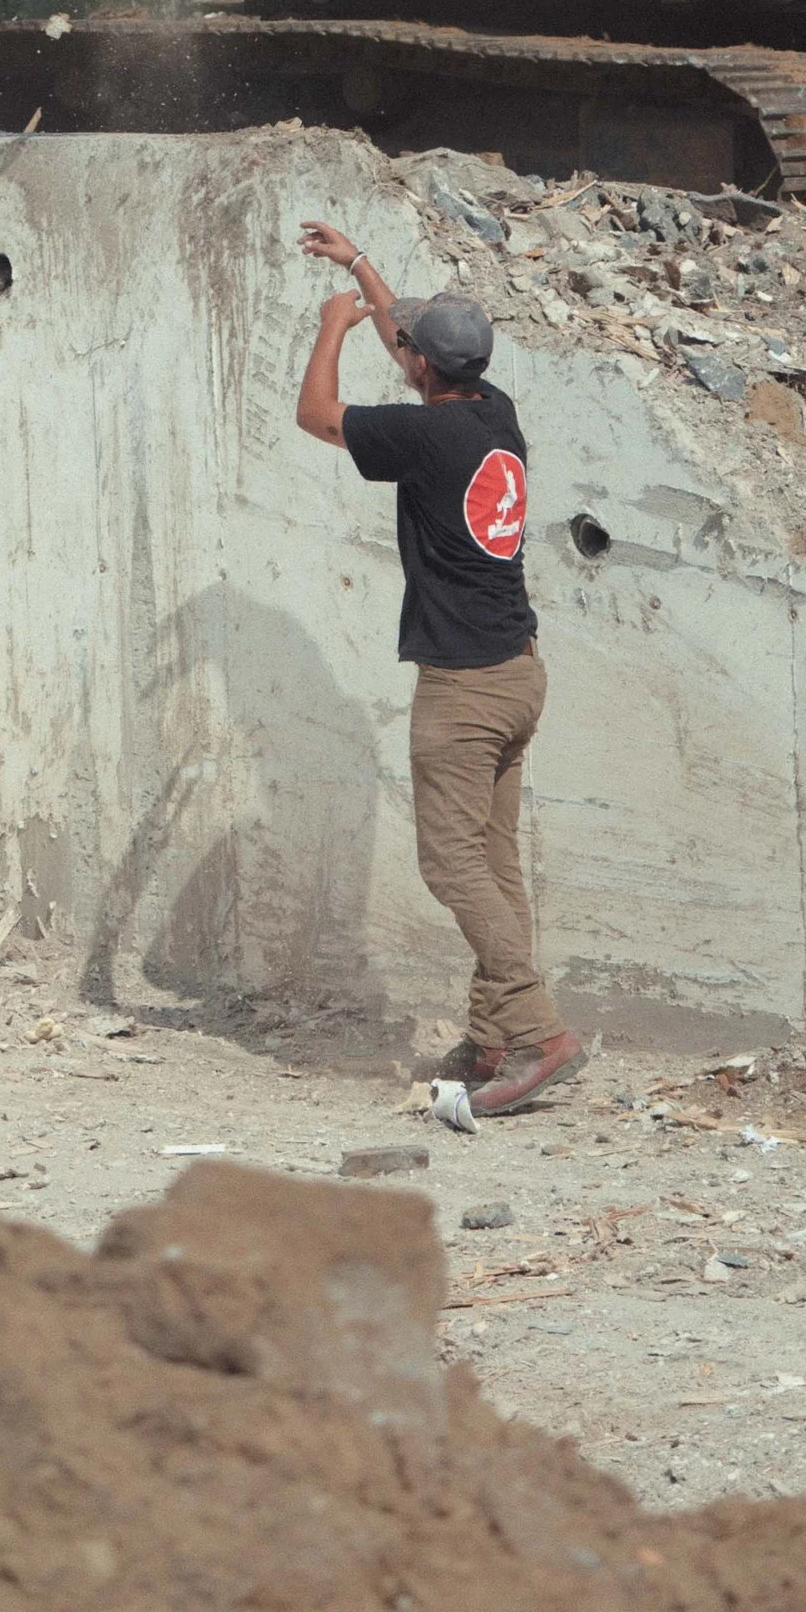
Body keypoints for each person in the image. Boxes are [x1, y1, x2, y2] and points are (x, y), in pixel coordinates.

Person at [294, 221, 583, 1118]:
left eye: (406, 346)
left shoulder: (424, 443)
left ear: (422, 371)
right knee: (494, 863)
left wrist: (331, 327)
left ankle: (537, 1034)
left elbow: (315, 415)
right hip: (518, 673)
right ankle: (494, 1036)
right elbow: (411, 345)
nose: (401, 348)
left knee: (452, 867)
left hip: (462, 690)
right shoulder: (490, 412)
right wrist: (362, 270)